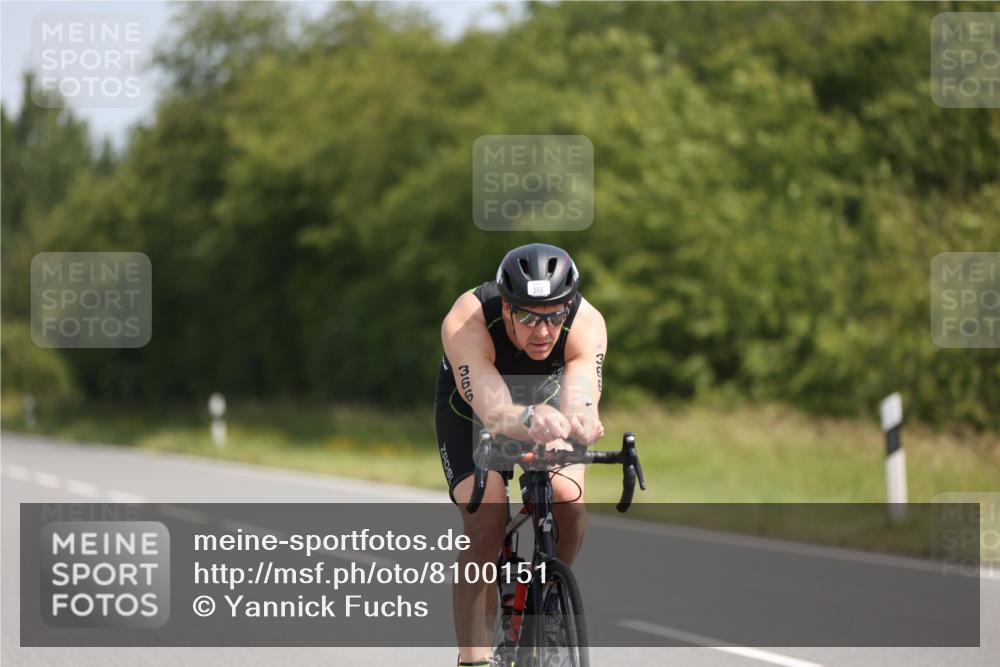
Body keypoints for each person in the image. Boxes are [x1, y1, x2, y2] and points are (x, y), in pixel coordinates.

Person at [435, 243, 607, 666]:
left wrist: (582, 420)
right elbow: (494, 412)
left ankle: (549, 596)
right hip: (473, 412)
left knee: (568, 498)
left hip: (548, 404)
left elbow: (581, 393)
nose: (543, 331)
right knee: (486, 521)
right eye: (528, 316)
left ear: (569, 308)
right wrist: (530, 417)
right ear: (507, 308)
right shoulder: (467, 320)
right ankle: (473, 660)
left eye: (554, 317)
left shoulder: (586, 322)